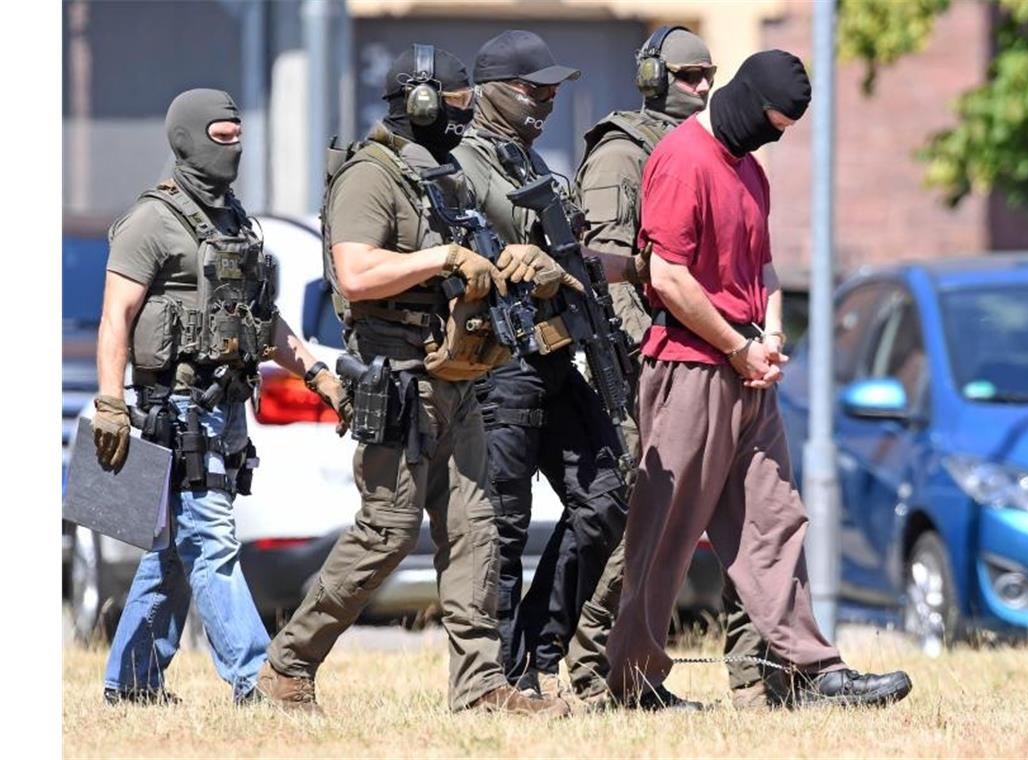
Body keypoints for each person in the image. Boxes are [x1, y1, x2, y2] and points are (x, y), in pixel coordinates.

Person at [254, 45, 569, 717]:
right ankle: (287, 667)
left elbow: (467, 266)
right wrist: (444, 255)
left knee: (476, 528)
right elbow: (360, 270)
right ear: (422, 104)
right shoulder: (371, 177)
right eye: (456, 106)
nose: (464, 119)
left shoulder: (443, 176)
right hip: (396, 384)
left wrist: (513, 260)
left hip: (457, 376)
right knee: (387, 533)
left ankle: (481, 686)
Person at [604, 50, 915, 710]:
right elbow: (667, 277)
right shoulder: (682, 160)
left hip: (747, 375)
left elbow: (762, 268)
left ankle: (815, 672)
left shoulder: (751, 170)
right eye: (772, 122)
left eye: (786, 128)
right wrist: (737, 345)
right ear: (746, 103)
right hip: (689, 371)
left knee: (776, 521)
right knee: (667, 536)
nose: (774, 136)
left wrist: (769, 338)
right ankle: (631, 684)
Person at [95, 89, 348, 705]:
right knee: (209, 541)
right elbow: (114, 318)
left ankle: (130, 686)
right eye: (220, 134)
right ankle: (255, 680)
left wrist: (318, 374)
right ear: (187, 138)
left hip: (226, 406)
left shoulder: (235, 220)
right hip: (174, 410)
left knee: (176, 556)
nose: (232, 146)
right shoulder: (151, 221)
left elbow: (266, 321)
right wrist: (109, 402)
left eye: (238, 135)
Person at [570, 25, 782, 709]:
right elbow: (608, 273)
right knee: (649, 528)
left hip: (724, 361)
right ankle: (599, 670)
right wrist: (641, 365)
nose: (700, 88)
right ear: (653, 77)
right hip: (659, 366)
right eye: (686, 76)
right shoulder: (622, 154)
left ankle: (761, 678)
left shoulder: (723, 152)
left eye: (707, 76)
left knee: (760, 520)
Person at [451, 29, 640, 700]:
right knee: (502, 523)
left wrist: (566, 268)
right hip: (501, 363)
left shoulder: (529, 163)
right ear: (496, 92)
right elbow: (456, 260)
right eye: (537, 90)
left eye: (555, 90)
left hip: (558, 353)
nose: (550, 101)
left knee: (609, 499)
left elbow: (574, 260)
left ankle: (539, 644)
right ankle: (499, 675)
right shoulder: (461, 166)